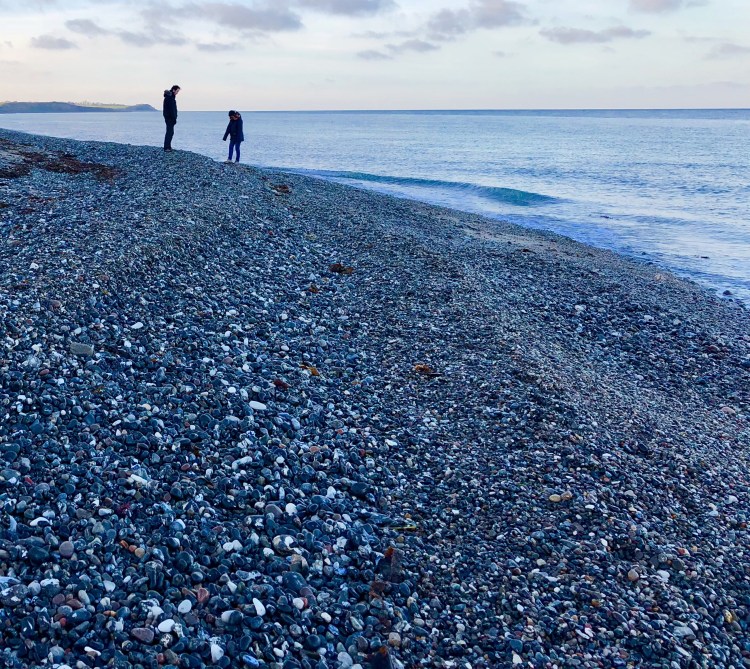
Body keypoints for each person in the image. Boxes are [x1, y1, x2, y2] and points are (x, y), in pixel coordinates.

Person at [163, 85, 180, 151]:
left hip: (170, 117)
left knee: (170, 132)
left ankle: (168, 146)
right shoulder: (169, 98)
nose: (177, 93)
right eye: (177, 91)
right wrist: (173, 118)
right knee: (169, 132)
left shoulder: (171, 97)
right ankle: (166, 147)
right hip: (169, 117)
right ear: (173, 90)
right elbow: (171, 109)